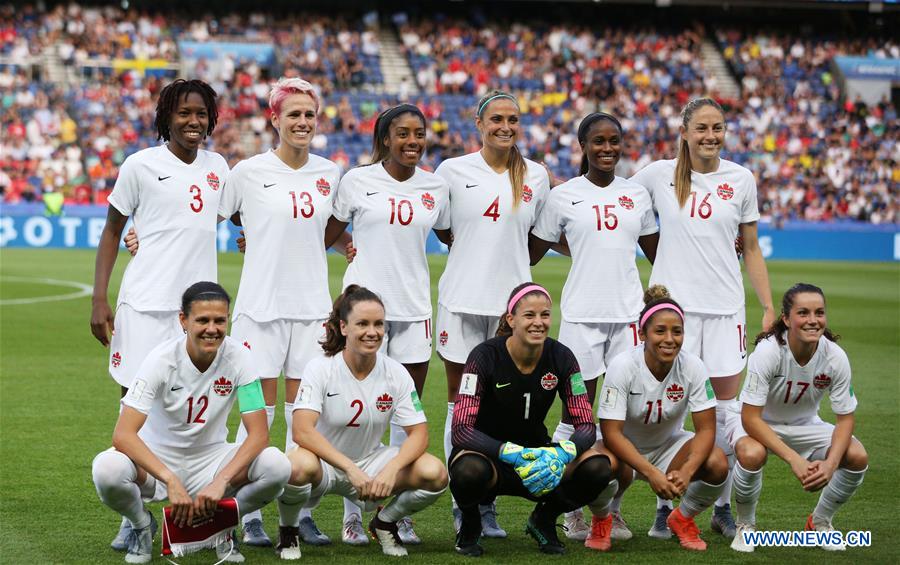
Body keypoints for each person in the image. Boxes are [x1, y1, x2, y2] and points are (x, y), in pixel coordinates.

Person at [90, 78, 229, 551]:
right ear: (166, 116)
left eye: (202, 113)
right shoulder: (140, 166)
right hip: (145, 305)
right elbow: (113, 232)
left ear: (212, 118)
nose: (194, 121)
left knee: (196, 406)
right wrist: (99, 299)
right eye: (185, 113)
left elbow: (237, 217)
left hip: (197, 312)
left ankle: (199, 508)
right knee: (136, 409)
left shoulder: (219, 167)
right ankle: (135, 517)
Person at [630, 97, 775, 538]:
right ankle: (665, 505)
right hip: (675, 317)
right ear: (685, 132)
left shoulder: (741, 179)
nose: (710, 136)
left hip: (726, 313)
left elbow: (750, 248)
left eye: (718, 128)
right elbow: (616, 202)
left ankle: (721, 506)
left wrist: (768, 306)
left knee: (727, 414)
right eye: (702, 128)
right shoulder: (657, 175)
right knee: (675, 412)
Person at [216, 77, 343, 547]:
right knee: (257, 417)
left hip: (311, 311)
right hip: (259, 310)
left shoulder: (331, 173)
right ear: (275, 120)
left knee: (306, 418)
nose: (303, 122)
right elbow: (219, 214)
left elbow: (331, 228)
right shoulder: (247, 172)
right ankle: (247, 513)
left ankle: (300, 510)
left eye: (310, 115)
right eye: (294, 114)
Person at [91, 282, 291, 564]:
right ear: (183, 320)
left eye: (220, 320)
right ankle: (141, 526)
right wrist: (170, 479)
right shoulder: (160, 360)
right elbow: (123, 435)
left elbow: (258, 435)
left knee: (277, 465)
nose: (212, 328)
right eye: (203, 320)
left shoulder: (241, 358)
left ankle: (220, 528)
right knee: (106, 469)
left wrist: (221, 481)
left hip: (212, 459)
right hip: (158, 461)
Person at [529, 112, 658, 540]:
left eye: (615, 140)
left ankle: (612, 510)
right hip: (582, 317)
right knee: (575, 418)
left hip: (627, 320)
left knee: (622, 418)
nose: (608, 148)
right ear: (583, 145)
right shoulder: (564, 197)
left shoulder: (636, 195)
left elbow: (659, 251)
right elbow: (531, 250)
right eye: (598, 141)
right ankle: (567, 508)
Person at [326, 103, 450, 544]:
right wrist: (347, 249)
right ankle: (352, 512)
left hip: (414, 309)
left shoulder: (436, 186)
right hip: (363, 310)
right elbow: (327, 231)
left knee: (403, 414)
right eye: (403, 133)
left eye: (419, 133)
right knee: (355, 411)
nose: (413, 141)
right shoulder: (357, 180)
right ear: (385, 138)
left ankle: (395, 512)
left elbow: (456, 234)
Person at [435, 90, 551, 536]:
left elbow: (538, 237)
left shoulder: (536, 175)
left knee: (498, 409)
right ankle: (463, 504)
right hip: (461, 303)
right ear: (479, 124)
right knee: (459, 404)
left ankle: (487, 504)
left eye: (513, 120)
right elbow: (445, 229)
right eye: (497, 119)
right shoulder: (453, 170)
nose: (505, 126)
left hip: (512, 313)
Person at [274, 285, 448, 560]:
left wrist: (391, 470)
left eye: (379, 324)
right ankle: (288, 531)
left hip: (372, 461)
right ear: (343, 327)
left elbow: (419, 434)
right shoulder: (320, 368)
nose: (372, 332)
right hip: (326, 466)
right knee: (296, 465)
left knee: (435, 473)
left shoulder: (396, 373)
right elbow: (301, 430)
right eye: (363, 324)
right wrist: (349, 469)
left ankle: (384, 523)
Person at [449, 282, 613, 556]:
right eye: (529, 315)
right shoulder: (484, 356)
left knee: (598, 468)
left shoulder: (562, 356)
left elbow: (585, 423)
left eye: (545, 315)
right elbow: (461, 430)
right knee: (467, 472)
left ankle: (544, 519)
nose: (539, 322)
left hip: (540, 461)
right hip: (491, 459)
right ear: (511, 319)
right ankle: (471, 521)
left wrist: (563, 453)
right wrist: (508, 452)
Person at [727, 283, 867, 553]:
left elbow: (845, 419)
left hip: (805, 424)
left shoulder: (835, 357)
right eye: (803, 313)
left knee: (857, 456)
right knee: (752, 453)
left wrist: (830, 464)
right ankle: (745, 526)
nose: (813, 320)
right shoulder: (768, 351)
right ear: (786, 319)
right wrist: (795, 460)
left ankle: (820, 523)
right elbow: (750, 417)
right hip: (756, 422)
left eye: (819, 313)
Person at [594, 285, 728, 551]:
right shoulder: (622, 366)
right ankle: (603, 518)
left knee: (717, 462)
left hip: (668, 447)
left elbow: (705, 430)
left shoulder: (693, 366)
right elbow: (611, 433)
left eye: (677, 331)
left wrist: (687, 471)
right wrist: (651, 472)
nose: (670, 339)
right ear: (642, 334)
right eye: (660, 331)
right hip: (621, 449)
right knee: (597, 466)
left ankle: (683, 518)